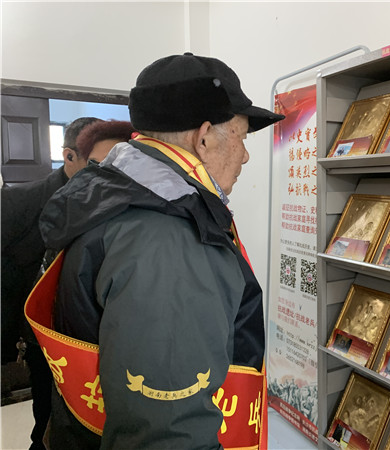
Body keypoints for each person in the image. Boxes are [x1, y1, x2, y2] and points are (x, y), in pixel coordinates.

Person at [28, 53, 284, 449]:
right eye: (242, 137)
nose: (246, 155)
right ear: (204, 137)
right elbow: (166, 433)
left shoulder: (112, 193)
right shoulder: (168, 239)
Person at [1, 116, 100, 450]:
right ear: (69, 156)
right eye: (95, 163)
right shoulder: (19, 201)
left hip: (92, 338)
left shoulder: (112, 203)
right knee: (47, 423)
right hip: (42, 336)